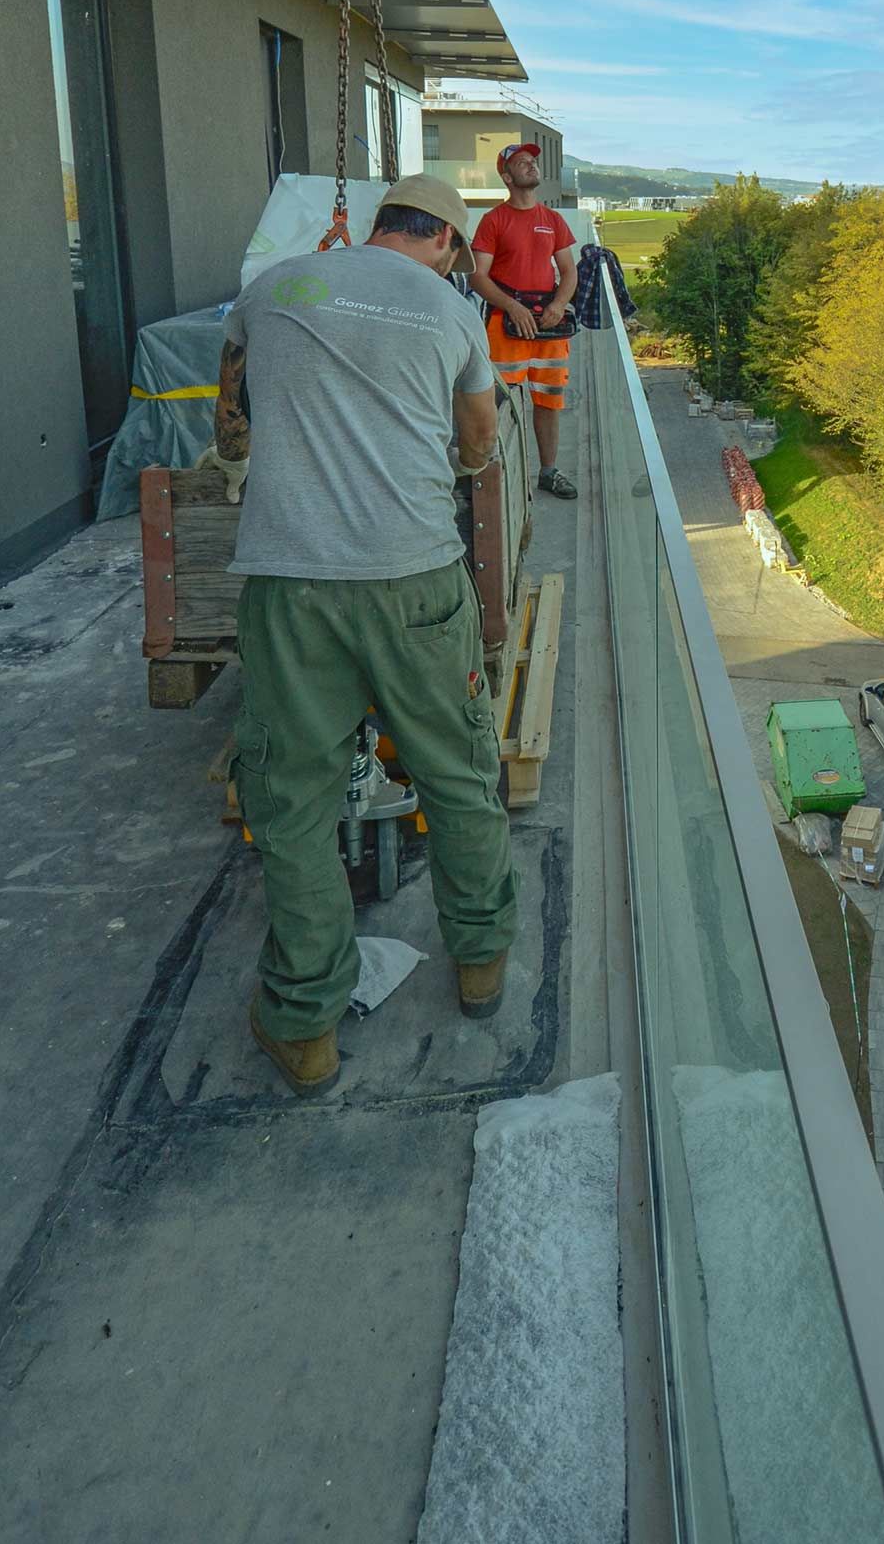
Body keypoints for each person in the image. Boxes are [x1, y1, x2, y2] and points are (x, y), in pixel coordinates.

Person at [203, 173, 517, 1098]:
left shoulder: (273, 290)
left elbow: (231, 433)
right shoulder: (454, 316)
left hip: (292, 585)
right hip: (414, 580)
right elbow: (479, 445)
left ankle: (305, 1027)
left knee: (292, 801)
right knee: (459, 776)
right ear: (450, 244)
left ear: (377, 227)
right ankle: (481, 966)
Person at [466, 141, 580, 498]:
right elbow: (477, 276)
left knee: (548, 402)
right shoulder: (493, 220)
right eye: (521, 163)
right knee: (499, 405)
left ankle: (548, 472)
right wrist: (511, 306)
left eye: (532, 161)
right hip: (506, 327)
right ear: (506, 176)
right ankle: (499, 476)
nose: (531, 166)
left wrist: (560, 303)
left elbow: (568, 271)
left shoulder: (552, 220)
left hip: (547, 326)